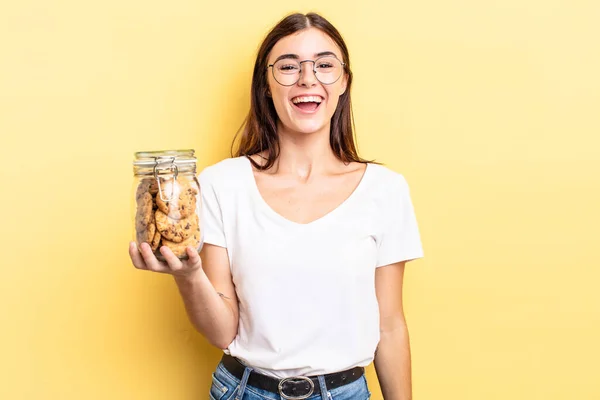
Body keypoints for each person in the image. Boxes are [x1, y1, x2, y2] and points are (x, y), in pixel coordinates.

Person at [129, 12, 423, 400]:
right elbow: (222, 331)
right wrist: (188, 277)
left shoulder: (385, 190)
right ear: (266, 85)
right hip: (245, 391)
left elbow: (389, 326)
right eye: (288, 66)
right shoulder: (221, 184)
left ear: (343, 82)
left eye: (324, 64)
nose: (307, 78)